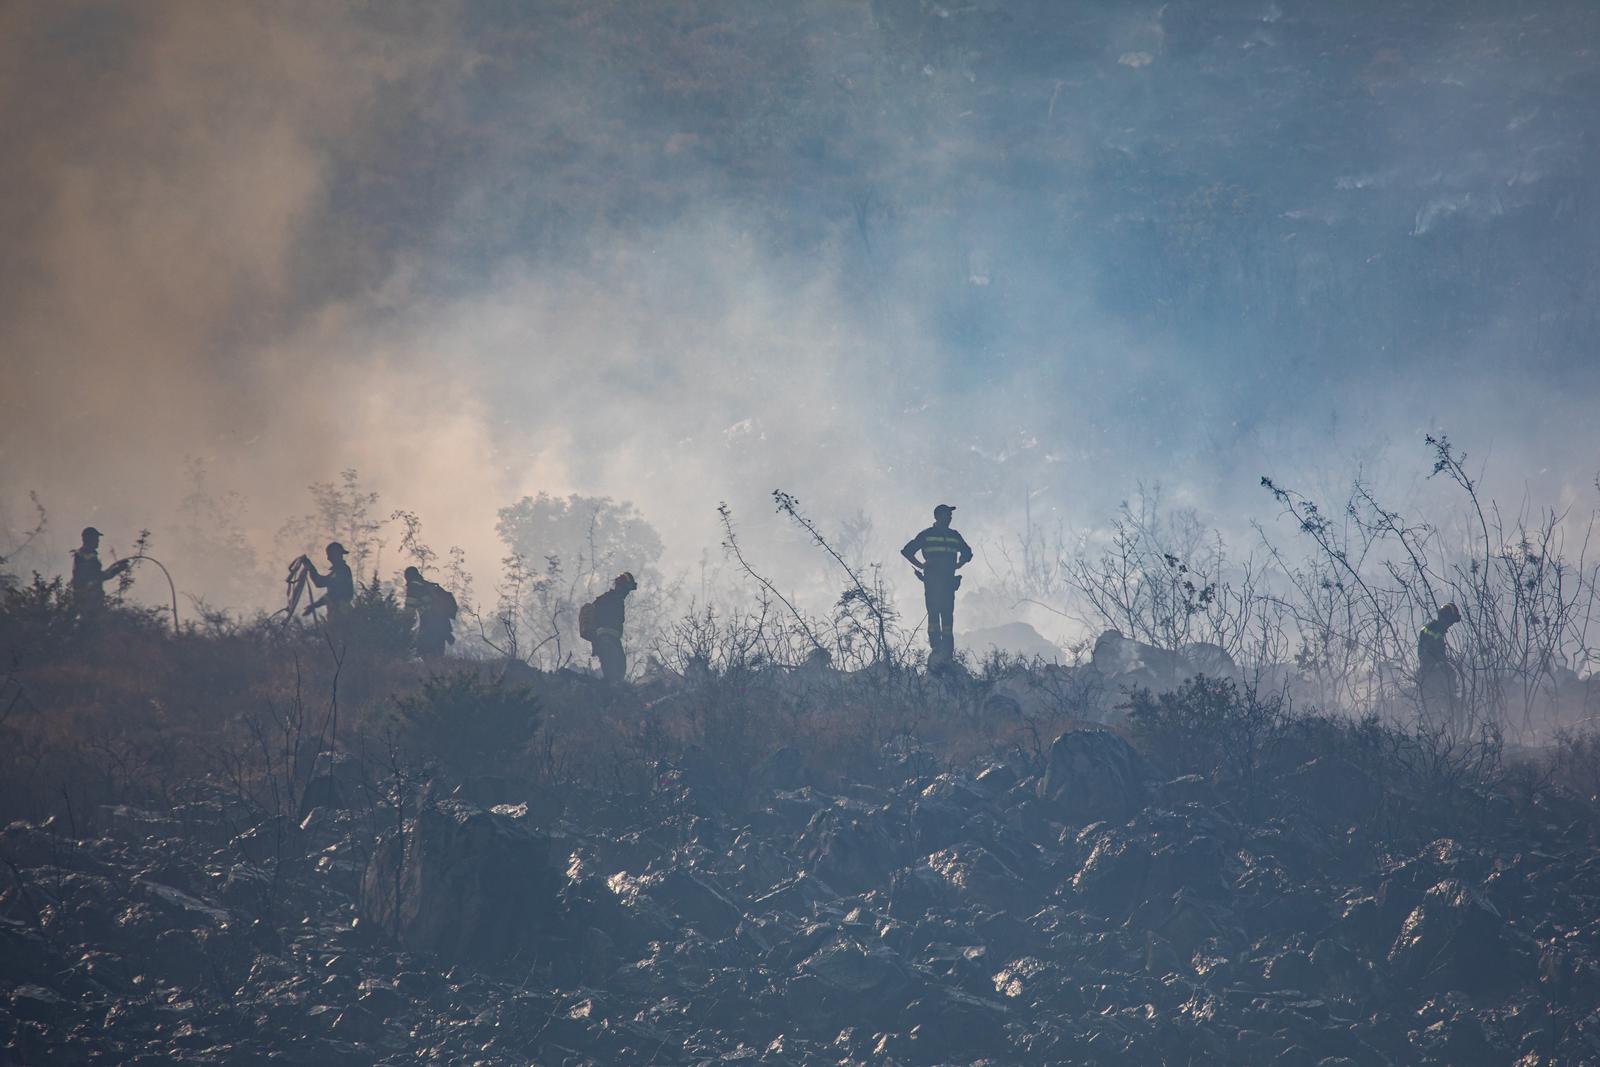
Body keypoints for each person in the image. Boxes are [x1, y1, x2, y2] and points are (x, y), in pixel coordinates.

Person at [902, 504, 973, 666]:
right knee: (935, 615)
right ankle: (937, 649)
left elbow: (967, 552)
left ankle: (946, 651)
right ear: (938, 516)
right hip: (934, 582)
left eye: (950, 515)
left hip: (945, 582)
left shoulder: (953, 535)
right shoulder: (928, 535)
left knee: (946, 616)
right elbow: (907, 551)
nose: (950, 517)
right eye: (947, 514)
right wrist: (921, 565)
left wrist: (959, 564)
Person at [71, 526, 131, 617]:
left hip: (89, 598)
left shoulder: (84, 554)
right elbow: (98, 576)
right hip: (90, 600)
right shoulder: (87, 555)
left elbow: (97, 575)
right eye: (95, 538)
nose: (98, 541)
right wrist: (117, 569)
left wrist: (117, 566)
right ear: (89, 539)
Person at [587, 572, 636, 682]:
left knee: (619, 667)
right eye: (626, 589)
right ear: (620, 587)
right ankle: (610, 689)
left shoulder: (611, 599)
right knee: (614, 670)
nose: (627, 593)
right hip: (606, 640)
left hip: (610, 640)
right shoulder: (609, 599)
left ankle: (611, 687)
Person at [1417, 602, 1461, 714]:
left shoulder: (1436, 630)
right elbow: (1427, 652)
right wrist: (1438, 665)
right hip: (1430, 674)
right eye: (1451, 622)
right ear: (1446, 618)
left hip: (1431, 671)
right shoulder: (1433, 630)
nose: (1450, 625)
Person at [404, 566, 457, 658]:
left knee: (424, 652)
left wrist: (403, 625)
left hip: (429, 623)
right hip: (442, 622)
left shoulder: (414, 587)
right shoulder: (426, 585)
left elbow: (409, 610)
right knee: (438, 654)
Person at [302, 542, 355, 621]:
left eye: (330, 555)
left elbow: (321, 583)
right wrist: (310, 567)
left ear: (336, 554)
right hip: (338, 611)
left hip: (341, 612)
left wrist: (311, 568)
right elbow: (321, 583)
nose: (328, 558)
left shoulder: (342, 570)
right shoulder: (339, 571)